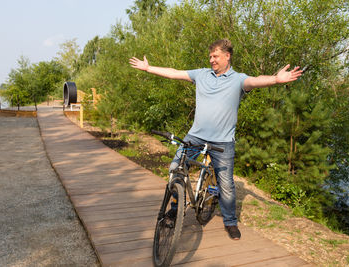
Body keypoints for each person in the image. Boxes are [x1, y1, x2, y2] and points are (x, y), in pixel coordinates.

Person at [129, 39, 303, 240]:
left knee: (226, 186)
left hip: (222, 143)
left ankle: (230, 222)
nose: (212, 59)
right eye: (210, 56)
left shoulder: (238, 79)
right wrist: (148, 68)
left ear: (227, 56)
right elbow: (175, 72)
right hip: (195, 137)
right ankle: (175, 208)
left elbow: (255, 80)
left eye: (216, 56)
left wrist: (275, 79)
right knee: (175, 169)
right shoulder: (202, 74)